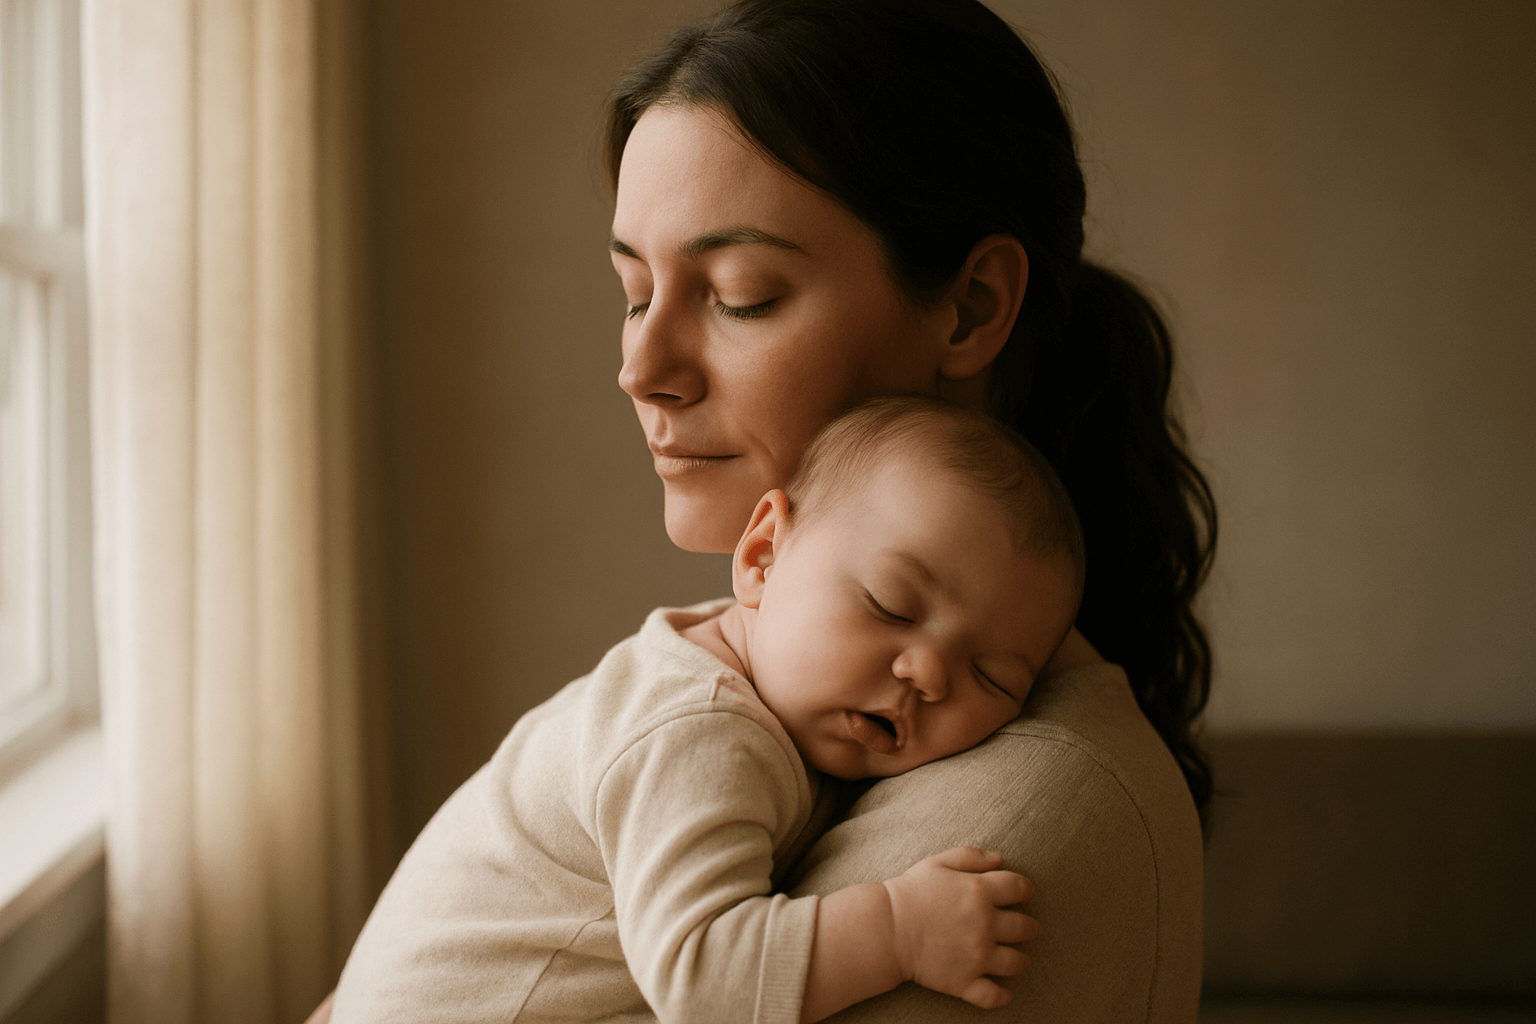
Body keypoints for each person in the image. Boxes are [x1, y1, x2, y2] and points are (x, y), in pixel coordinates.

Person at [308, 0, 1214, 1020]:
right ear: (765, 555)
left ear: (969, 306)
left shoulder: (1012, 834)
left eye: (739, 294)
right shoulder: (748, 706)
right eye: (635, 291)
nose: (640, 371)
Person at [328, 397, 1085, 1024]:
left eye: (991, 676)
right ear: (761, 557)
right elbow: (702, 981)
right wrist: (898, 928)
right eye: (892, 604)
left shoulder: (764, 694)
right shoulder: (696, 730)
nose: (927, 672)